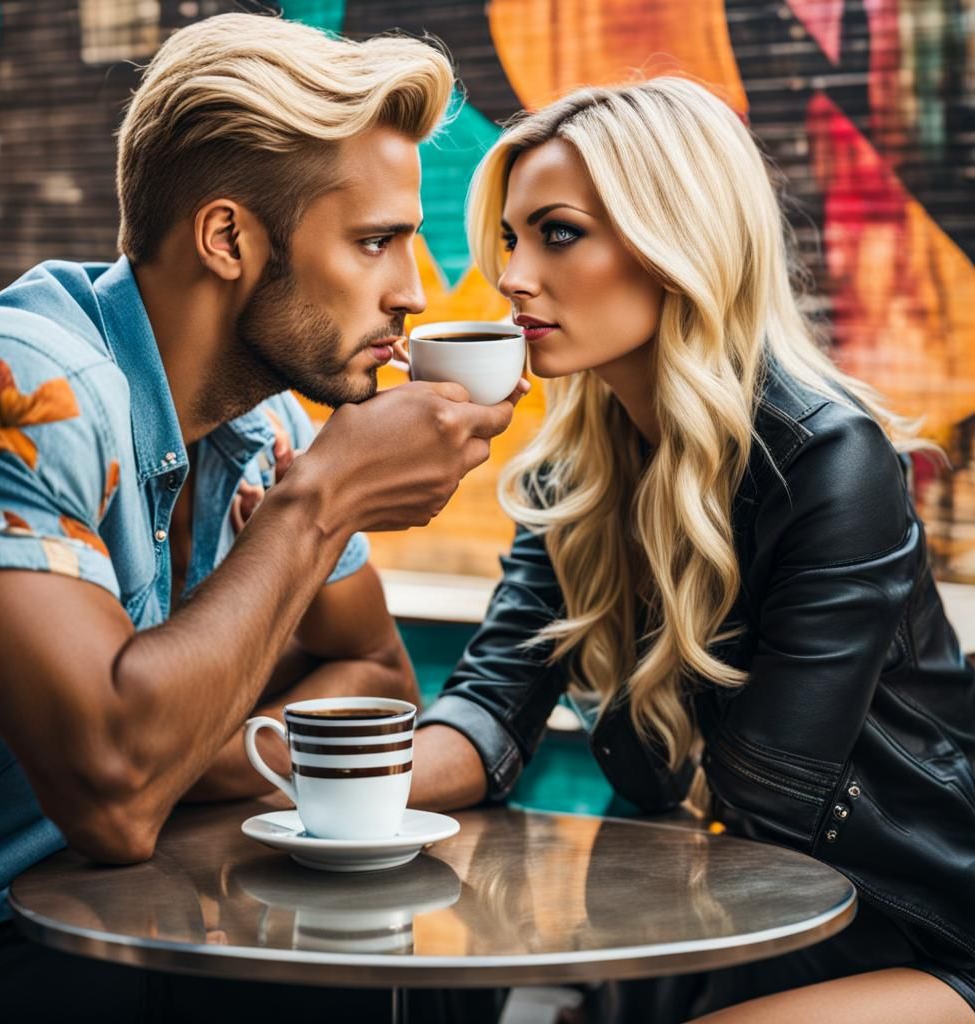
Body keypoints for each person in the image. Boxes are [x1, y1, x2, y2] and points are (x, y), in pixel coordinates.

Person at [0, 13, 524, 1021]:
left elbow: (378, 679)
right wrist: (323, 501)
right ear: (227, 238)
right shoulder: (5, 384)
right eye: (376, 241)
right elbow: (121, 795)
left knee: (443, 975)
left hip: (128, 911)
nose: (414, 291)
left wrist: (196, 741)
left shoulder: (262, 424)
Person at [409, 77, 975, 1022]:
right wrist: (338, 795)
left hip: (907, 926)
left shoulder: (830, 461)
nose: (511, 275)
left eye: (558, 233)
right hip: (722, 922)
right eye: (512, 237)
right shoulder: (574, 476)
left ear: (675, 244)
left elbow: (764, 815)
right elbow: (493, 707)